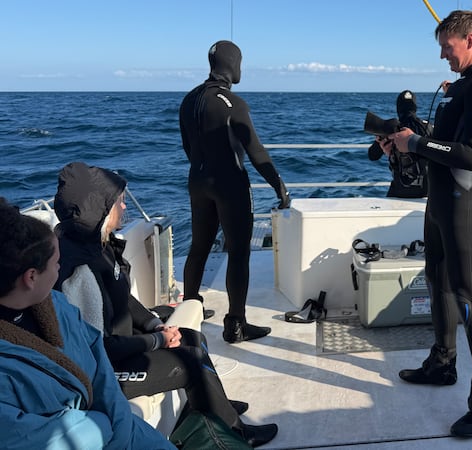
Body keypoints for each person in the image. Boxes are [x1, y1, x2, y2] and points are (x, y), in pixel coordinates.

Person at [52, 162, 279, 447]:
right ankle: (237, 432)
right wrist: (158, 339)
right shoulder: (79, 271)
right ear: (101, 208)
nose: (125, 209)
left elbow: (123, 299)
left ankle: (218, 405)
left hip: (123, 347)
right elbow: (100, 347)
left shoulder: (99, 245)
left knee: (193, 336)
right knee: (191, 361)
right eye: (120, 203)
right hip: (102, 372)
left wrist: (153, 324)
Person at [387, 10, 472, 438]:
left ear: (470, 39)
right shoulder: (458, 90)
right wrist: (404, 146)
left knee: (470, 300)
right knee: (435, 282)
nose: (442, 55)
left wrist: (416, 141)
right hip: (438, 205)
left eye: (447, 46)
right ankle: (442, 363)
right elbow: (445, 146)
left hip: (465, 208)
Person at [0, 197, 175, 449]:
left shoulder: (57, 305)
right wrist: (104, 427)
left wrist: (118, 422)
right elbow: (28, 439)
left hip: (120, 427)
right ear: (31, 277)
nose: (60, 268)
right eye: (56, 263)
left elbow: (98, 361)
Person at [179, 40, 289, 343]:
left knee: (198, 248)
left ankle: (191, 312)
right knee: (238, 253)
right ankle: (236, 324)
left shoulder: (189, 100)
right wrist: (279, 186)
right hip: (230, 186)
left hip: (197, 182)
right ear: (232, 64)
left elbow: (188, 147)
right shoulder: (234, 104)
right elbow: (257, 152)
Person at [368, 90, 430, 198]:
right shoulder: (428, 127)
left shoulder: (392, 128)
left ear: (398, 108)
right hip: (426, 190)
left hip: (399, 189)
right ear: (415, 107)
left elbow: (372, 155)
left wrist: (380, 140)